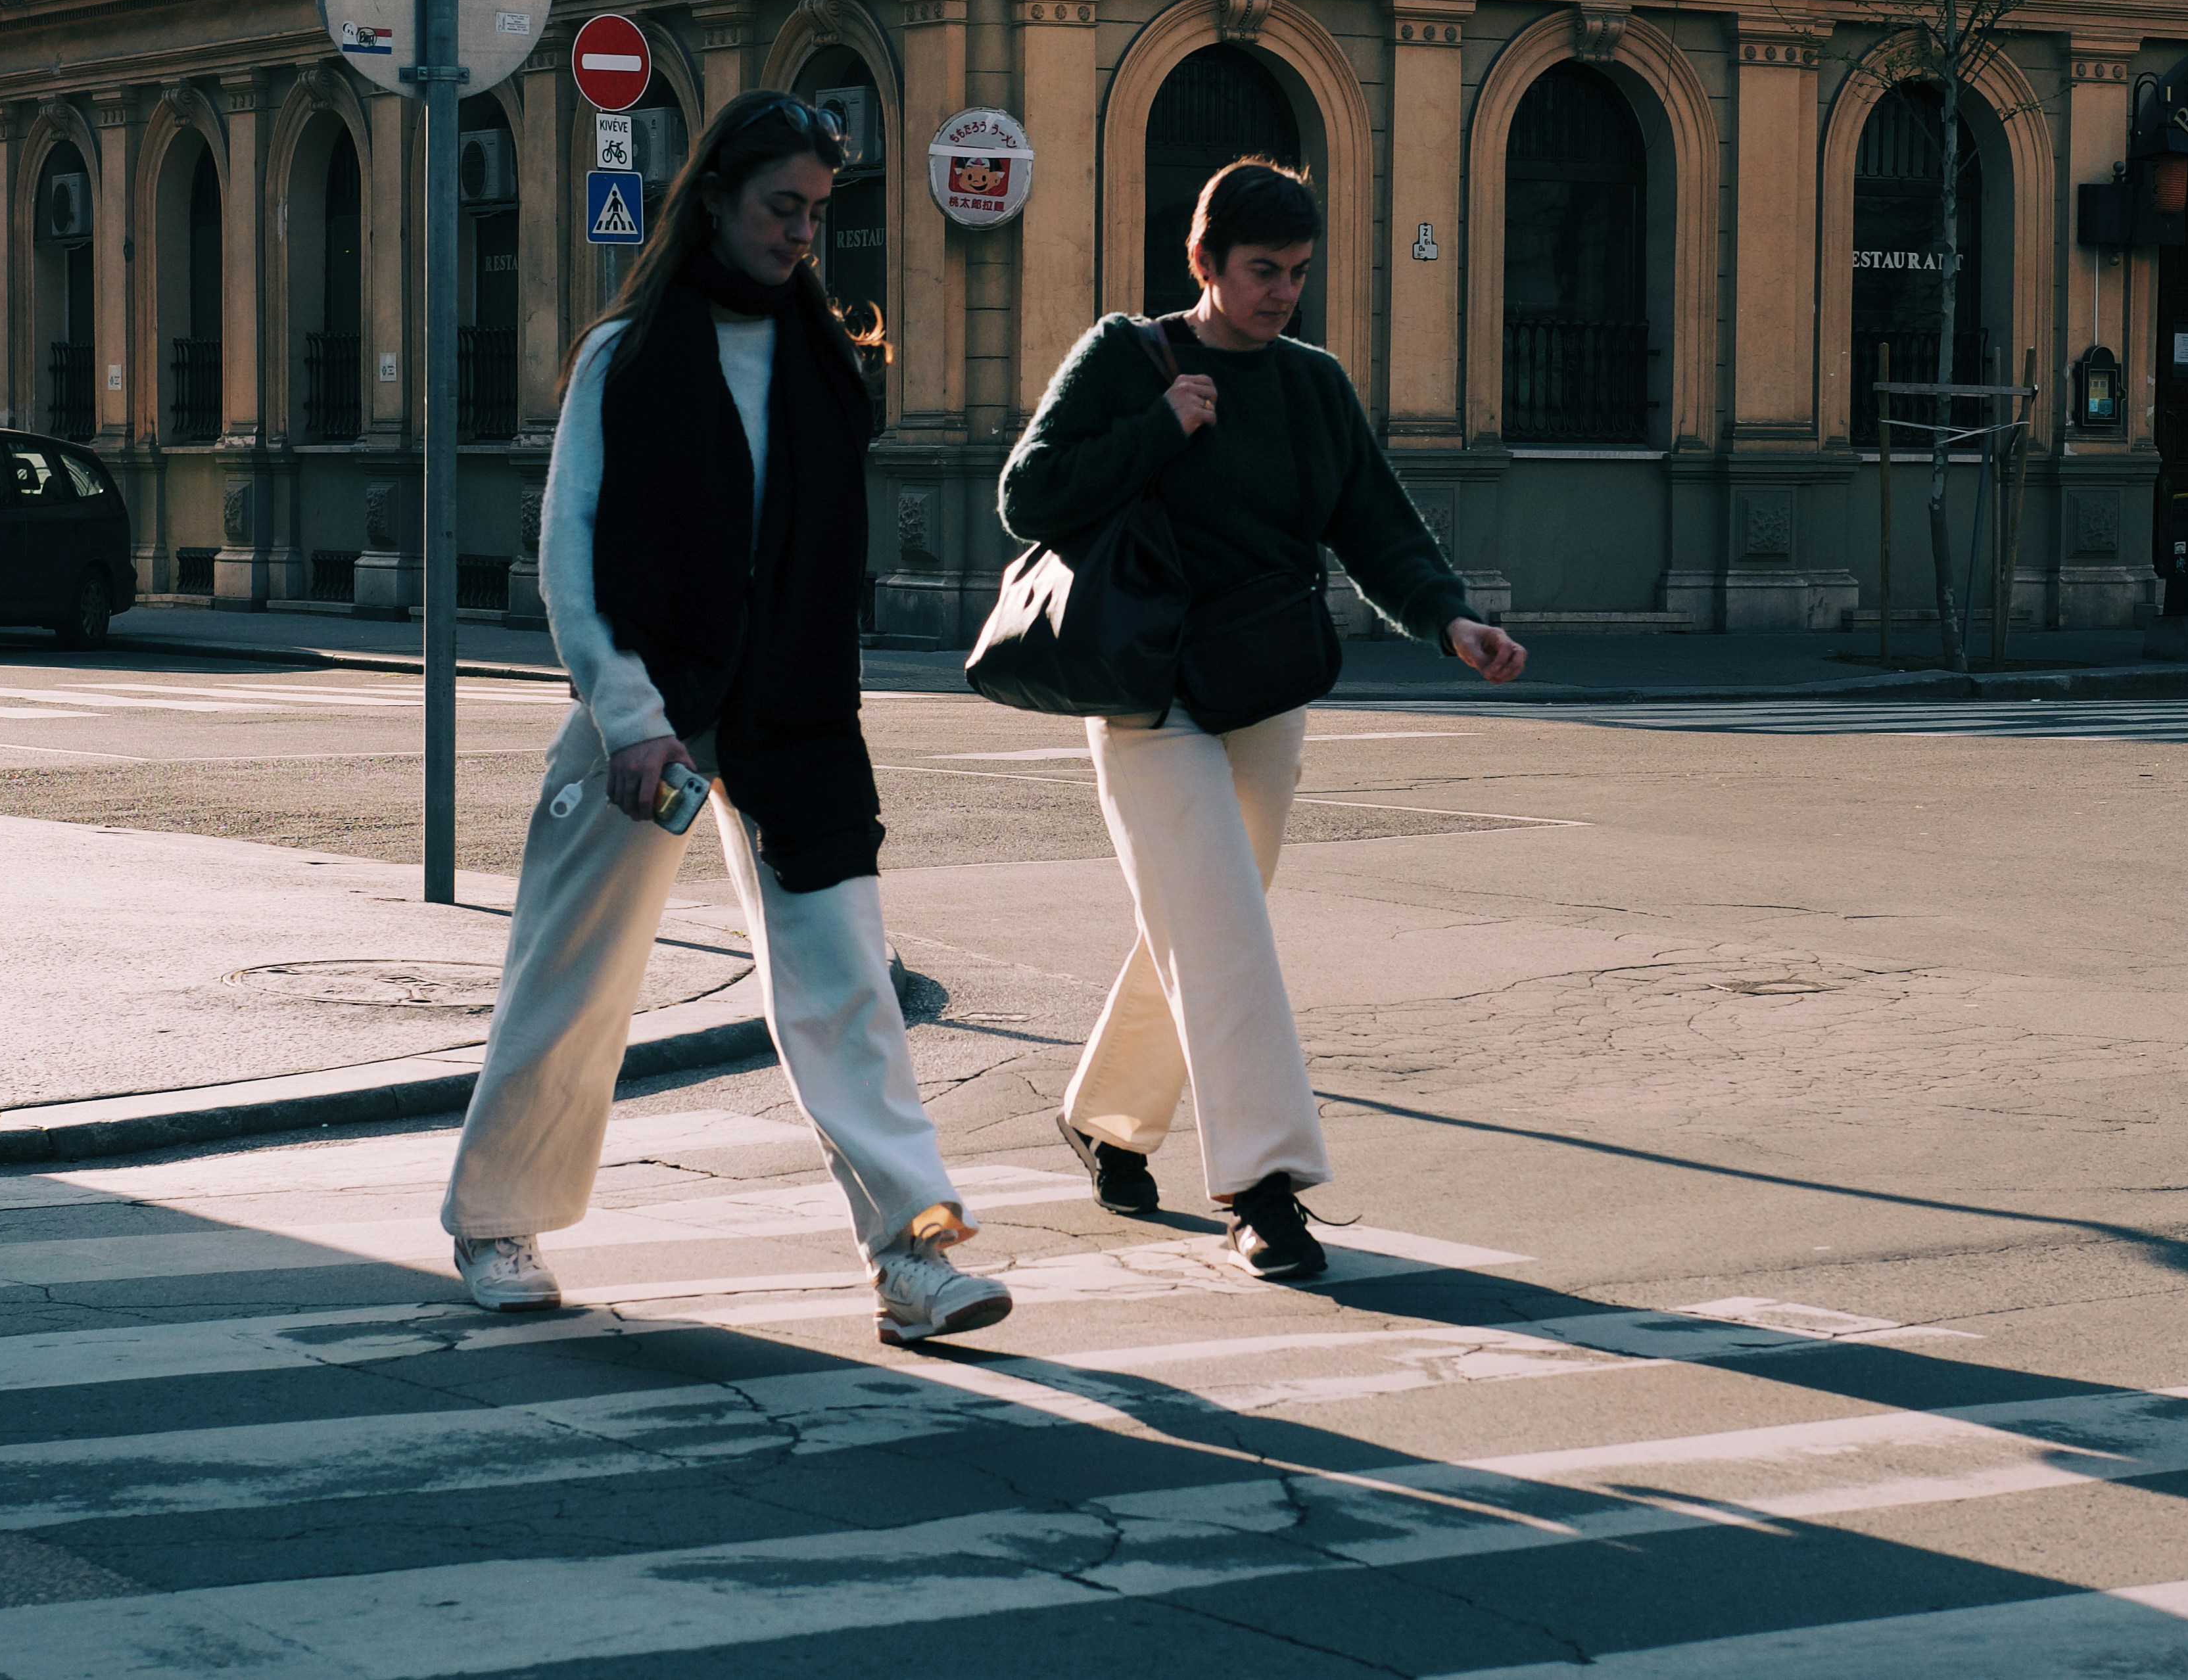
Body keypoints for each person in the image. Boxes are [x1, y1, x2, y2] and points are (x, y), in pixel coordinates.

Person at [442, 89, 1011, 1346]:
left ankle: (913, 1250)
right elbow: (569, 560)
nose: (803, 232)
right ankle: (496, 1215)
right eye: (780, 206)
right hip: (649, 701)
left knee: (848, 977)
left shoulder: (823, 355)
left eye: (817, 210)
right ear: (714, 197)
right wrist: (630, 716)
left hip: (794, 709)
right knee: (573, 972)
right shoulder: (628, 354)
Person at [999, 159, 1528, 1279]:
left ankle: (1104, 1116)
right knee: (1225, 927)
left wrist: (1450, 622)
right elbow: (1027, 492)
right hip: (1148, 691)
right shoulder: (1124, 356)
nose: (1282, 292)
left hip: (1265, 686)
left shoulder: (1312, 384)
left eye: (1296, 273)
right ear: (1201, 263)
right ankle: (1264, 1183)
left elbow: (1374, 523)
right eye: (1260, 271)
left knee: (1206, 921)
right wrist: (1155, 428)